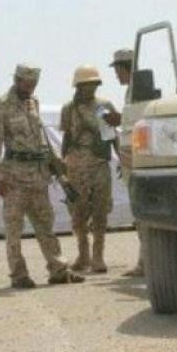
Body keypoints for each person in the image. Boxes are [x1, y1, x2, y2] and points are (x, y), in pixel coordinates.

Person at [0, 63, 86, 288]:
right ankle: (19, 274)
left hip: (38, 175)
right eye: (27, 83)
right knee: (14, 228)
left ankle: (59, 269)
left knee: (45, 224)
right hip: (14, 177)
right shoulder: (2, 105)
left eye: (34, 83)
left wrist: (55, 164)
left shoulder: (34, 102)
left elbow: (41, 137)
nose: (31, 87)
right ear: (17, 80)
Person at [61, 65, 121, 274]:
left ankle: (98, 257)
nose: (90, 88)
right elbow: (67, 137)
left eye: (94, 84)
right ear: (78, 86)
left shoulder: (105, 106)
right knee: (77, 213)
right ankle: (83, 255)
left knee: (100, 211)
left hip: (99, 166)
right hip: (76, 167)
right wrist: (62, 166)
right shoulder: (69, 109)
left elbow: (112, 135)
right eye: (86, 85)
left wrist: (121, 158)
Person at [110, 49, 145, 278]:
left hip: (136, 158)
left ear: (126, 68)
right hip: (130, 156)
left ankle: (146, 262)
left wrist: (116, 119)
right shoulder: (133, 91)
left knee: (141, 211)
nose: (116, 75)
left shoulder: (139, 91)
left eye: (117, 70)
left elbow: (140, 121)